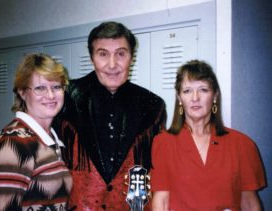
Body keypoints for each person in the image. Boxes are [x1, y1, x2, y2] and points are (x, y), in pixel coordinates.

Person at [56, 21, 167, 210]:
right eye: (103, 54)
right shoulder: (66, 98)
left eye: (121, 54)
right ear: (92, 58)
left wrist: (137, 206)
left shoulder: (152, 105)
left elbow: (149, 168)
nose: (112, 64)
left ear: (131, 57)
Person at [150, 60, 266, 211]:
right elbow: (161, 202)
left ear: (215, 96)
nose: (195, 97)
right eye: (187, 91)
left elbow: (250, 204)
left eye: (203, 90)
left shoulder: (242, 144)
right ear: (179, 98)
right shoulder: (163, 143)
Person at [0, 53, 72, 210]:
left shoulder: (52, 138)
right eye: (40, 88)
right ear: (22, 92)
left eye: (56, 87)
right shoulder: (13, 143)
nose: (50, 95)